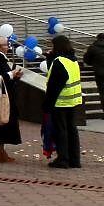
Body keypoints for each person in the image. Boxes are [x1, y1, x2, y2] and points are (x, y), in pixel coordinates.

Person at [43, 35, 83, 169]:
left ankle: (63, 159)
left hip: (60, 101)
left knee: (61, 130)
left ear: (57, 47)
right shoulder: (73, 60)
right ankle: (75, 160)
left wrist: (47, 104)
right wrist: (50, 58)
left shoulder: (59, 62)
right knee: (72, 129)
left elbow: (54, 85)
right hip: (73, 100)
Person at [83, 33, 104, 107]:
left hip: (100, 74)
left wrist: (94, 63)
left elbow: (87, 60)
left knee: (102, 92)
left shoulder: (92, 48)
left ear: (97, 38)